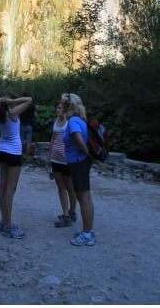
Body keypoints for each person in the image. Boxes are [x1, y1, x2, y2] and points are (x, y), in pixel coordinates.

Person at [0, 94, 32, 238]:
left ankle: (4, 221)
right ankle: (8, 225)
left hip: (2, 151)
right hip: (14, 152)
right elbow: (29, 100)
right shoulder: (13, 113)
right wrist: (13, 101)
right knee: (10, 189)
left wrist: (1, 100)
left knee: (2, 187)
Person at [62, 93, 95, 246]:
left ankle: (87, 235)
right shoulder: (81, 120)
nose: (62, 107)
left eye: (64, 105)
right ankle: (87, 231)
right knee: (86, 197)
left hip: (77, 162)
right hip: (81, 162)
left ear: (70, 106)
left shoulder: (73, 121)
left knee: (83, 199)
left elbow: (79, 141)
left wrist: (87, 154)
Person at [48, 99, 77, 227]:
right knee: (61, 187)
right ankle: (65, 214)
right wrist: (49, 156)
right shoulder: (55, 123)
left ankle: (72, 212)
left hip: (67, 160)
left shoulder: (70, 123)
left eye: (60, 108)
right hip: (56, 159)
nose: (57, 110)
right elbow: (53, 140)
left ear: (65, 110)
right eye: (57, 108)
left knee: (71, 188)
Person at [19, 93, 37, 158]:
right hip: (29, 125)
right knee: (29, 142)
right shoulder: (32, 106)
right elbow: (36, 116)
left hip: (21, 125)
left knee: (20, 141)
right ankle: (27, 156)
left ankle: (20, 155)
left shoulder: (21, 106)